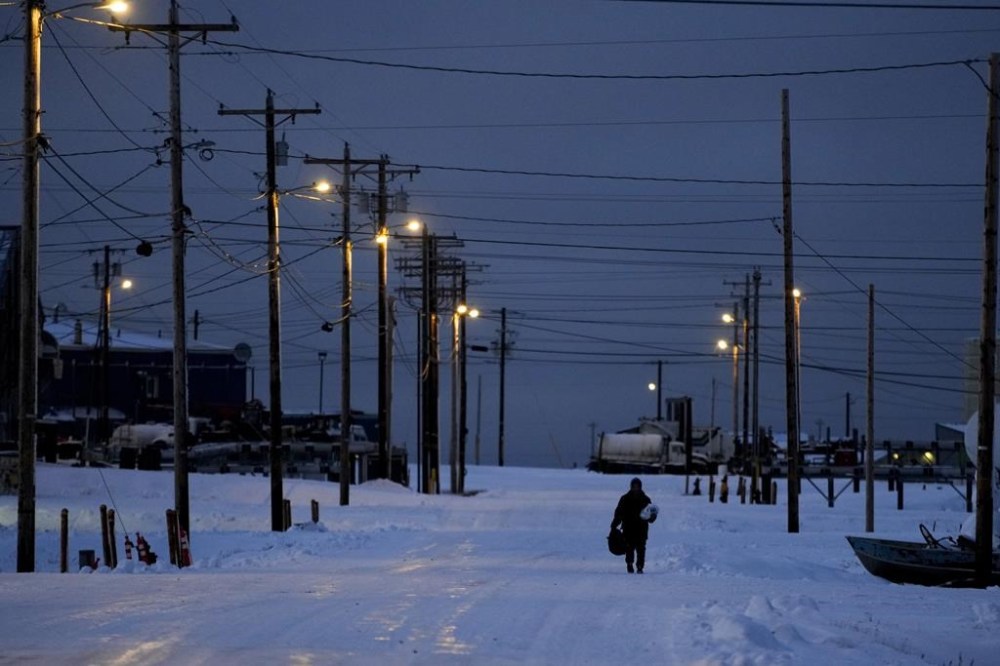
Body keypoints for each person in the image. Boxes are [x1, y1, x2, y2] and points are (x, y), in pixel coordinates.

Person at [610, 477, 654, 574]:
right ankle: (629, 564)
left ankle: (640, 566)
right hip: (628, 528)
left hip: (641, 528)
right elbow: (619, 513)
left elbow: (650, 515)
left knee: (641, 548)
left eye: (637, 486)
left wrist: (652, 517)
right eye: (634, 486)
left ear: (640, 487)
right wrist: (614, 525)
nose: (635, 488)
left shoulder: (645, 499)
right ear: (631, 487)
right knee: (629, 547)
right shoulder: (625, 499)